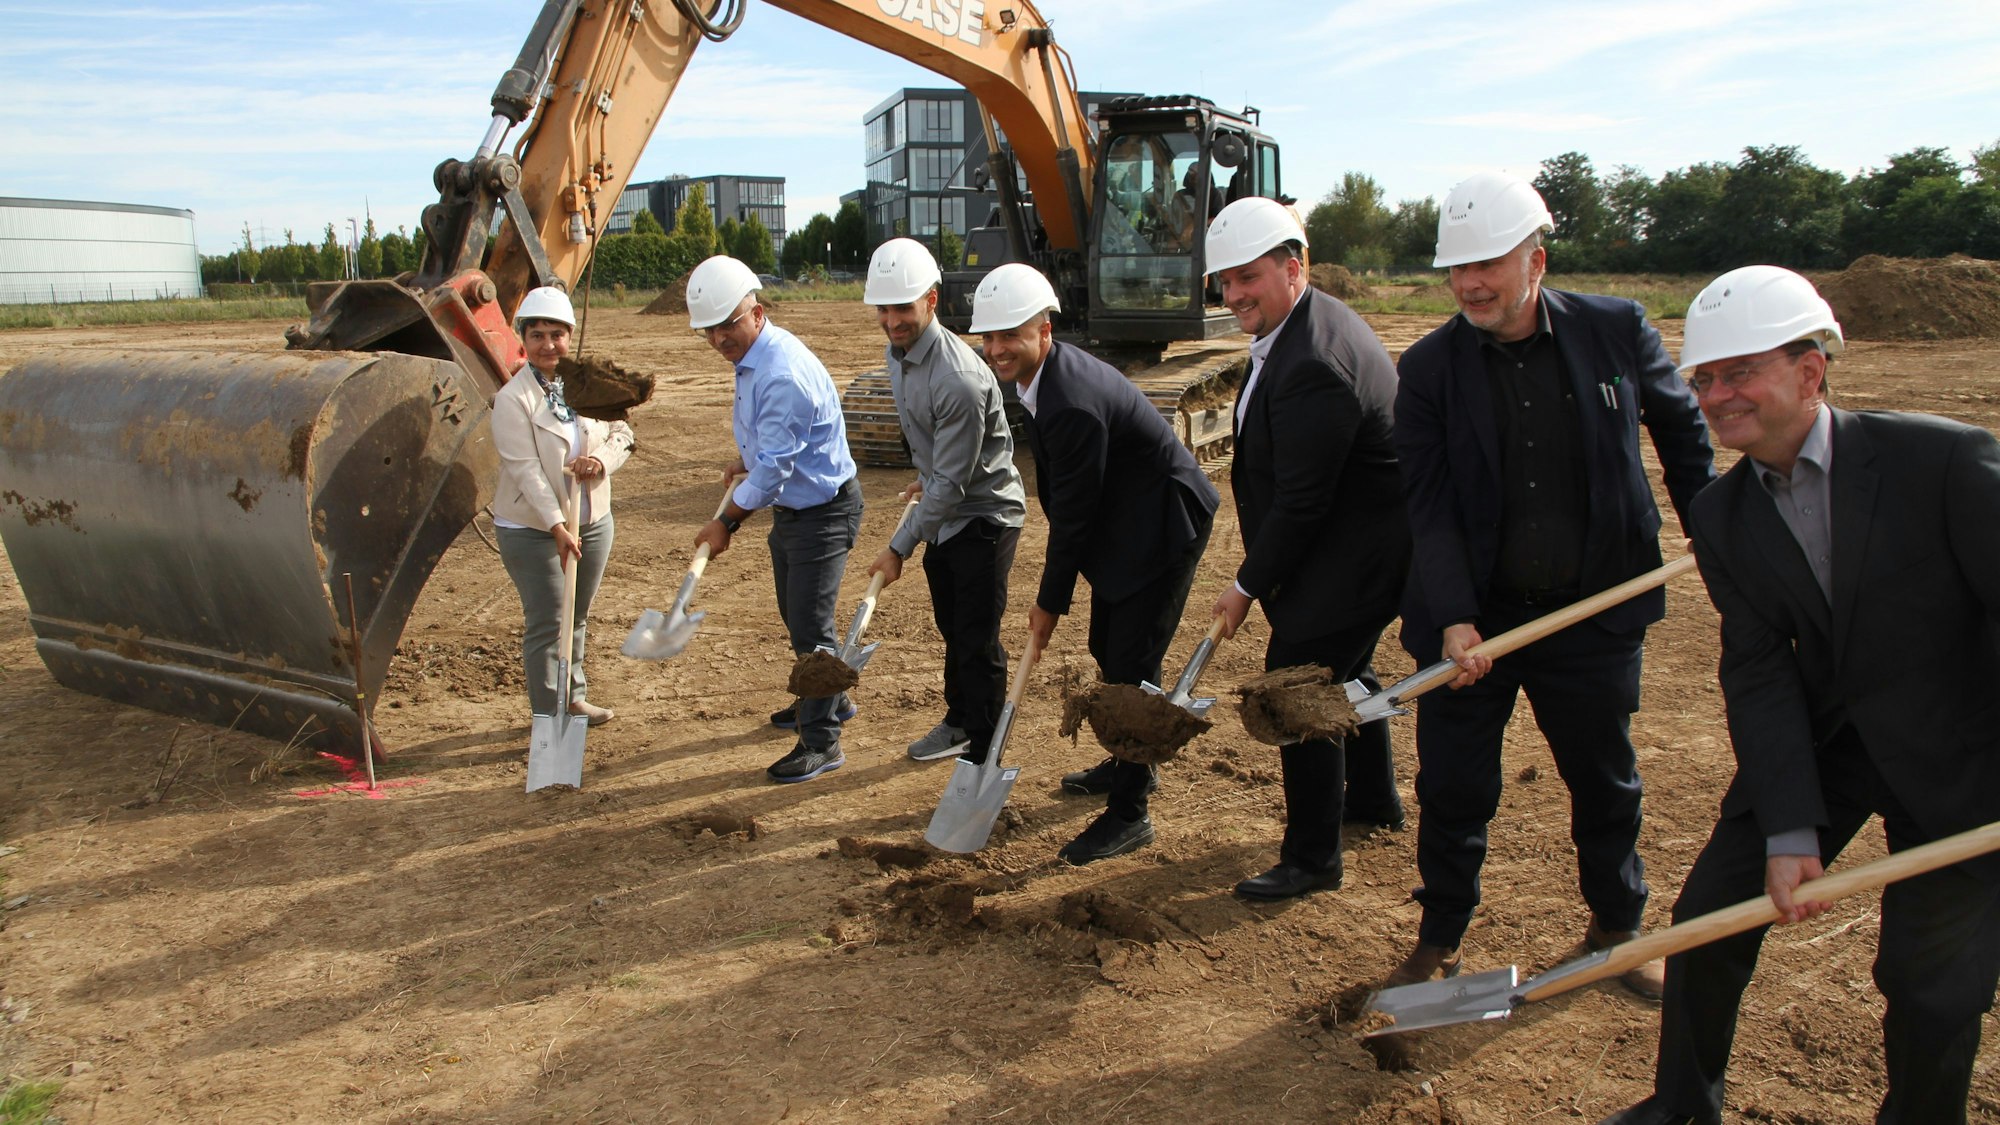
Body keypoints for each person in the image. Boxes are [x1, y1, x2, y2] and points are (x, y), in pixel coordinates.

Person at [1600, 267, 2000, 1125]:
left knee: (1929, 984)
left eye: (1738, 372)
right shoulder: (1722, 514)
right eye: (1704, 379)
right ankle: (1682, 1105)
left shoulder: (1943, 461)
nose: (1716, 395)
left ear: (1810, 371)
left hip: (1962, 748)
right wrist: (1789, 826)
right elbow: (1758, 669)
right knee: (1709, 917)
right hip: (1830, 740)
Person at [1388, 172, 1715, 993]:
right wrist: (1457, 617)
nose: (1469, 283)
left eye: (1487, 263)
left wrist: (1721, 535)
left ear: (1536, 257)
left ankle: (1616, 926)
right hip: (1478, 620)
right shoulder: (1427, 369)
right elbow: (1426, 504)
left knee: (1604, 777)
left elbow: (1684, 438)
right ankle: (1441, 937)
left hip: (1593, 611)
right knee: (1454, 786)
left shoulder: (1616, 330)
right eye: (1456, 268)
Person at [1197, 198, 1412, 899]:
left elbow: (1302, 502)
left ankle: (1313, 857)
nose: (1233, 296)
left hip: (1355, 554)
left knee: (1297, 680)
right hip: (1356, 547)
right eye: (1224, 281)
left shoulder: (1314, 359)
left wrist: (1247, 585)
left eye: (1247, 278)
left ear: (1294, 268)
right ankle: (1374, 798)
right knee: (1347, 670)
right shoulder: (1306, 326)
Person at [972, 263, 1219, 864]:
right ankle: (1126, 765)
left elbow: (1074, 521)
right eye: (990, 336)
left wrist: (1048, 603)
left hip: (1164, 525)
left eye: (1012, 334)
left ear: (1044, 330)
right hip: (1125, 521)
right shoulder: (1044, 381)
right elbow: (1076, 504)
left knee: (1133, 667)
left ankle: (1131, 812)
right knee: (1111, 648)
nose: (998, 348)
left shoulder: (1071, 401)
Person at [686, 255, 862, 784]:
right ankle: (827, 701)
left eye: (728, 324)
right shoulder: (757, 358)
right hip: (798, 510)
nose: (719, 338)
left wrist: (727, 522)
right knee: (795, 615)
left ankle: (822, 741)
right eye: (709, 331)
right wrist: (750, 460)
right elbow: (775, 450)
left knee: (811, 628)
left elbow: (779, 470)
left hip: (822, 514)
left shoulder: (780, 372)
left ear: (756, 313)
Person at [861, 239, 1028, 767]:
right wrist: (924, 476)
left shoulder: (956, 376)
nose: (891, 321)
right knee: (953, 626)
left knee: (977, 638)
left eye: (902, 308)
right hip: (948, 509)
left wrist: (897, 549)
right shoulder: (900, 355)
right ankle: (960, 721)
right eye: (883, 309)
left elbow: (956, 484)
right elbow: (938, 458)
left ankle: (983, 750)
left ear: (931, 300)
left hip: (985, 515)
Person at [491, 286, 634, 732]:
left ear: (570, 336)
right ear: (523, 340)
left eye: (557, 334)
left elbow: (622, 432)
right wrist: (555, 525)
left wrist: (600, 462)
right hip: (532, 526)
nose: (548, 345)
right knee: (549, 619)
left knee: (577, 614)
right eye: (538, 335)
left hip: (593, 520)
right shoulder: (513, 399)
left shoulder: (589, 382)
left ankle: (574, 700)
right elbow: (525, 470)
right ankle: (547, 714)